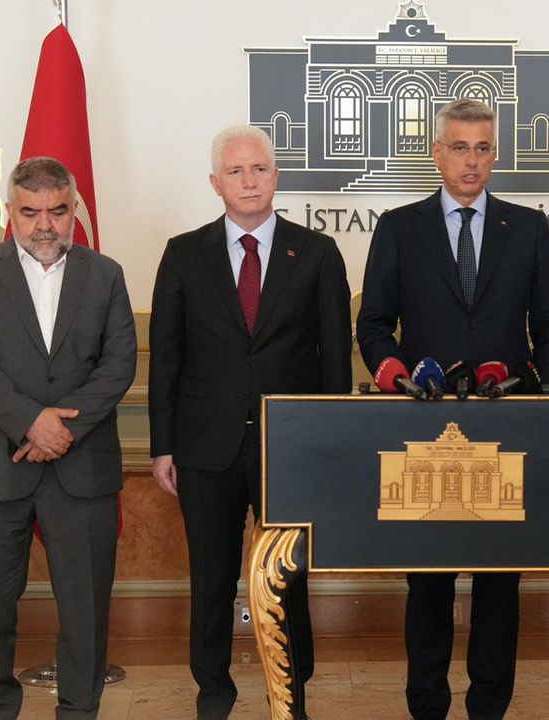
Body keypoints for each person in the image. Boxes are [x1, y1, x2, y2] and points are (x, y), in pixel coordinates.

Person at [356, 98, 549, 720]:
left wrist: (541, 394)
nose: (471, 160)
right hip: (425, 427)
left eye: (482, 148)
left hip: (507, 427)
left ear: (495, 155)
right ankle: (426, 704)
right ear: (437, 154)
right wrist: (398, 378)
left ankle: (489, 707)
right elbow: (374, 325)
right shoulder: (400, 227)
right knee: (427, 578)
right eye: (459, 147)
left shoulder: (527, 228)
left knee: (500, 579)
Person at [149, 125, 352, 719]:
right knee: (210, 580)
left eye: (259, 168)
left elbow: (335, 360)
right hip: (203, 447)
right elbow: (166, 358)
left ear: (276, 176)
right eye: (235, 171)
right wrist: (163, 446)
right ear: (216, 183)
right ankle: (213, 694)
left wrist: (330, 444)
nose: (249, 180)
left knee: (288, 578)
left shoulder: (317, 253)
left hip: (290, 445)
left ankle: (292, 694)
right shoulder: (183, 253)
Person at [0, 156, 136, 719]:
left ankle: (79, 711)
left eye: (57, 211)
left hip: (83, 468)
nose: (44, 225)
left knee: (85, 610)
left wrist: (63, 429)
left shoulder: (106, 274)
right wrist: (32, 421)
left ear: (74, 210)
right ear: (11, 211)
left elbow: (119, 364)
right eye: (31, 212)